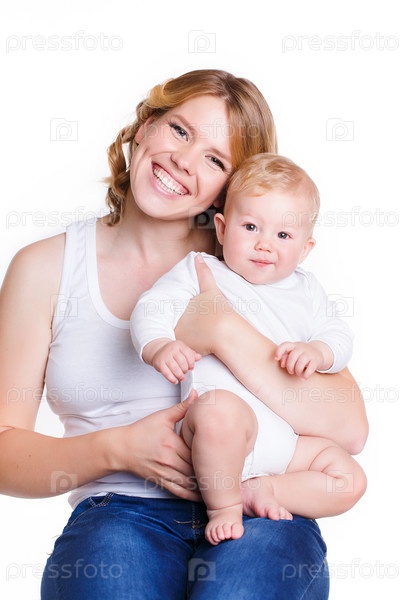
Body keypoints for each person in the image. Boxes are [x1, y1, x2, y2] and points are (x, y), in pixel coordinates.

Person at [0, 69, 368, 600]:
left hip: (262, 507)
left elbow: (350, 429)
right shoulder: (46, 268)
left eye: (216, 160)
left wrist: (221, 328)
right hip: (119, 512)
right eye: (179, 131)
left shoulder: (253, 257)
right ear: (145, 127)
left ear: (232, 188)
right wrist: (118, 449)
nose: (184, 161)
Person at [131, 153, 367, 546]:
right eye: (251, 227)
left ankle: (264, 490)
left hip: (285, 443)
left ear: (305, 248)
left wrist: (319, 352)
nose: (264, 245)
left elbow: (340, 336)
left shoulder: (307, 290)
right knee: (219, 410)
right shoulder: (202, 270)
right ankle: (224, 508)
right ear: (222, 229)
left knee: (350, 479)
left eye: (283, 236)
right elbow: (153, 306)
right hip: (218, 431)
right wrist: (158, 346)